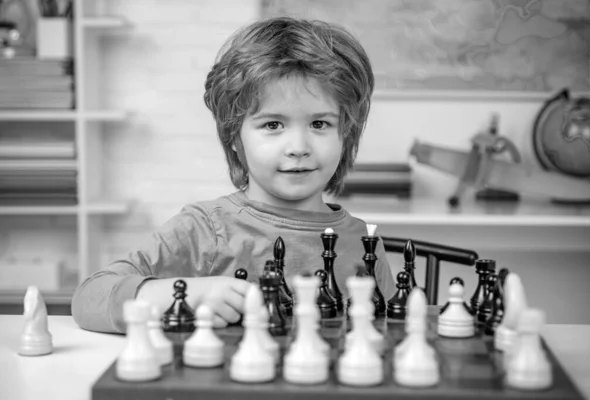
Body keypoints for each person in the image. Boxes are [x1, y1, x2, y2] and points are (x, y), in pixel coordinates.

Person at [71, 16, 396, 334]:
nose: (298, 147)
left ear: (346, 134)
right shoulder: (203, 230)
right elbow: (89, 298)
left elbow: (391, 331)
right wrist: (183, 294)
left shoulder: (363, 242)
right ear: (234, 138)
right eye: (273, 125)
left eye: (319, 124)